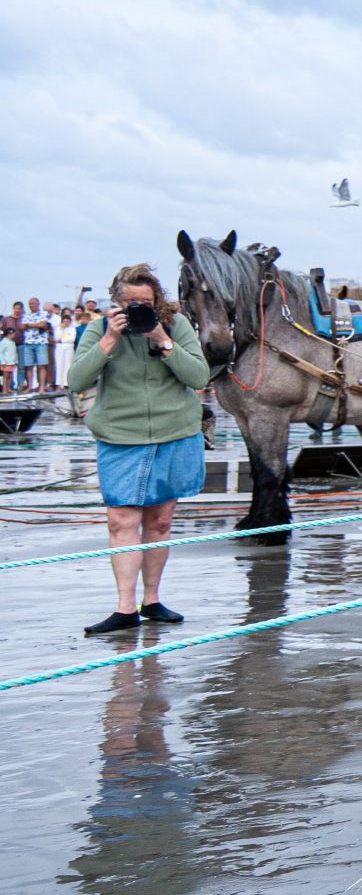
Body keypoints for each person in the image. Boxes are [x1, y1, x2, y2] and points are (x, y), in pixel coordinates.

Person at [67, 264, 212, 635]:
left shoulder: (176, 325)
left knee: (160, 521)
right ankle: (124, 607)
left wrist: (162, 339)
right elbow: (77, 380)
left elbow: (198, 376)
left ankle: (152, 599)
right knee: (121, 520)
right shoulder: (98, 329)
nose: (136, 309)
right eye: (129, 302)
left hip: (174, 431)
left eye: (144, 302)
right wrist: (108, 342)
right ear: (116, 301)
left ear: (156, 300)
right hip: (120, 435)